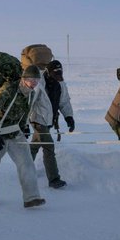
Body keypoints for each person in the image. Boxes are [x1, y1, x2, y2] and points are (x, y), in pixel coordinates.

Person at [0, 66, 44, 208]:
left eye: (36, 80)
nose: (34, 83)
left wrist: (24, 126)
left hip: (15, 134)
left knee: (27, 165)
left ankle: (31, 198)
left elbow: (25, 112)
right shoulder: (9, 89)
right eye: (31, 79)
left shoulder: (31, 94)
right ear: (24, 79)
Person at [28, 59, 75, 189]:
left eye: (60, 75)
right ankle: (54, 179)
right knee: (49, 147)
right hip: (38, 119)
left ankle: (25, 168)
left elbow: (64, 101)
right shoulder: (38, 84)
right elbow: (29, 104)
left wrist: (69, 117)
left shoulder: (60, 83)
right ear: (48, 72)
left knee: (35, 146)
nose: (58, 78)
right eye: (55, 75)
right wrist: (25, 123)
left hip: (49, 120)